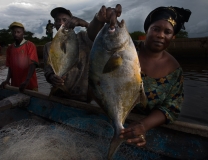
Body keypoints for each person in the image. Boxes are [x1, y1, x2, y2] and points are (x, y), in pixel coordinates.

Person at [87, 5, 191, 147]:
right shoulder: (128, 48)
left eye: (167, 32)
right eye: (156, 29)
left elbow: (171, 108)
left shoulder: (174, 70)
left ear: (173, 36)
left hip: (144, 130)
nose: (160, 35)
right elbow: (95, 37)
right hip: (110, 117)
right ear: (147, 30)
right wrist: (100, 19)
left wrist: (143, 125)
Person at [43, 7, 93, 102]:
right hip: (58, 97)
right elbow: (47, 71)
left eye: (65, 20)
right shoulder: (48, 46)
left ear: (72, 22)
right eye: (57, 20)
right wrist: (51, 77)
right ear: (54, 24)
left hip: (82, 97)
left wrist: (86, 24)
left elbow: (100, 37)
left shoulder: (83, 37)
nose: (61, 23)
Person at [0, 22, 39, 92]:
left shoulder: (30, 45)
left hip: (29, 84)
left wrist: (27, 80)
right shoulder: (10, 48)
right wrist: (7, 80)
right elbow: (10, 67)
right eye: (14, 32)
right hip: (15, 84)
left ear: (23, 33)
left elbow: (33, 64)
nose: (16, 34)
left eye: (18, 32)